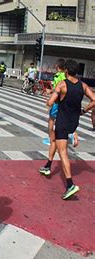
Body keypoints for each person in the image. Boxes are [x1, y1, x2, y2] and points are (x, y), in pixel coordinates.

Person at [46, 59, 95, 200]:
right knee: (54, 138)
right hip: (74, 121)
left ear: (66, 71)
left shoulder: (62, 85)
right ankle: (48, 165)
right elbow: (94, 99)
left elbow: (49, 103)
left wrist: (51, 96)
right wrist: (84, 110)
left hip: (62, 121)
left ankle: (70, 184)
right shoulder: (83, 85)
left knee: (63, 152)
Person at [39, 59, 70, 177]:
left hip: (57, 103)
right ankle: (48, 165)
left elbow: (58, 89)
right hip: (64, 106)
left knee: (51, 121)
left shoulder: (58, 76)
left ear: (58, 66)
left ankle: (51, 137)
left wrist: (50, 93)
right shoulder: (68, 77)